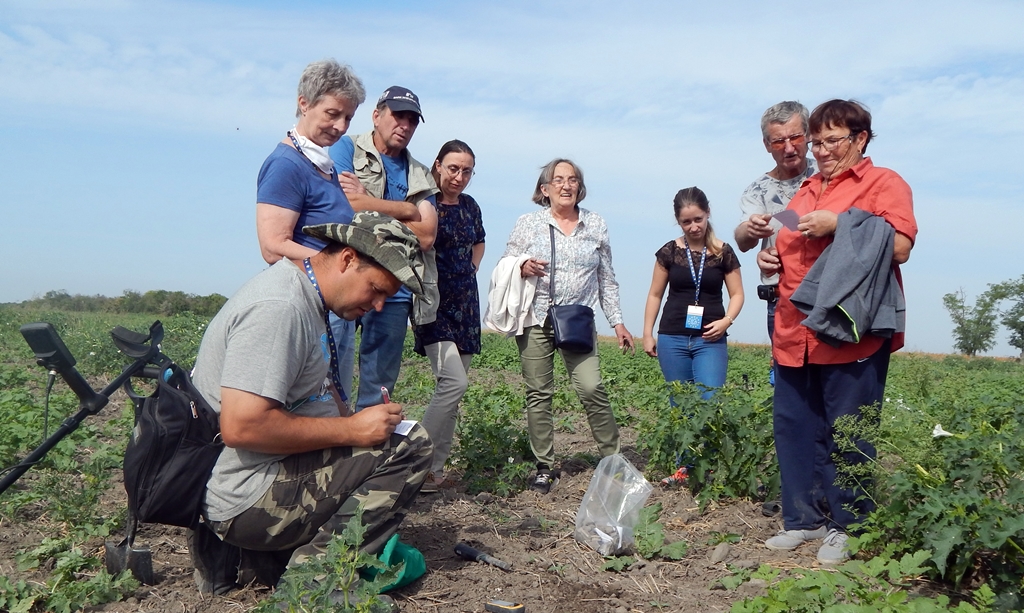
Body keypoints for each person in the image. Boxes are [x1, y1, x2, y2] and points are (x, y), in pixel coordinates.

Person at [189, 212, 433, 595]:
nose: (380, 305)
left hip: (259, 478)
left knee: (387, 438)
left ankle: (271, 557)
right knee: (410, 446)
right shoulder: (280, 307)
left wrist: (355, 427)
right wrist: (352, 430)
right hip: (243, 496)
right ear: (348, 259)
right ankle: (313, 586)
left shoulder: (306, 297)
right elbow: (242, 426)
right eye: (376, 289)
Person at [756, 99, 917, 564]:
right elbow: (792, 242)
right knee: (795, 426)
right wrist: (772, 256)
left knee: (848, 428)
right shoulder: (804, 190)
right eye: (818, 141)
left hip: (849, 329)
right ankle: (803, 519)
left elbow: (901, 246)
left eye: (833, 141)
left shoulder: (883, 183)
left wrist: (841, 223)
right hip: (793, 327)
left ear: (861, 138)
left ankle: (849, 524)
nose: (822, 151)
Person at [501, 158, 634, 494]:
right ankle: (545, 466)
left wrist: (617, 322)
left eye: (572, 179)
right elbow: (506, 262)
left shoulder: (596, 224)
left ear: (580, 186)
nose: (566, 185)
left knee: (591, 387)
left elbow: (607, 278)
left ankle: (613, 460)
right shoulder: (528, 224)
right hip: (536, 317)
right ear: (545, 189)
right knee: (539, 394)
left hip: (577, 319)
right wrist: (522, 266)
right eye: (558, 179)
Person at [255, 59, 366, 402]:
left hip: (332, 303)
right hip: (304, 302)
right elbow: (273, 245)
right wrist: (339, 267)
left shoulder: (325, 167)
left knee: (335, 400)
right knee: (310, 402)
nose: (340, 126)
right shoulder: (287, 164)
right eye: (332, 113)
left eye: (347, 117)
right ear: (304, 102)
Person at [331, 86, 439, 411]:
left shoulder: (420, 173)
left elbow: (427, 234)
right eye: (397, 116)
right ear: (377, 115)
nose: (404, 125)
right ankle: (327, 442)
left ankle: (368, 452)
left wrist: (368, 202)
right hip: (345, 274)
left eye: (412, 120)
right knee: (329, 366)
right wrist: (406, 209)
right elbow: (342, 205)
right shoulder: (346, 147)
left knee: (379, 382)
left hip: (395, 289)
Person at [412, 140, 485, 493]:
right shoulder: (424, 203)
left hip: (467, 305)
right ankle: (411, 464)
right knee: (454, 382)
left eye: (467, 171)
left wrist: (471, 268)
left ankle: (433, 474)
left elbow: (480, 240)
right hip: (433, 303)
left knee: (452, 396)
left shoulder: (471, 207)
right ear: (437, 165)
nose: (459, 177)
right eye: (453, 168)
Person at [643, 187, 743, 399]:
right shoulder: (669, 252)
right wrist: (647, 334)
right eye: (686, 222)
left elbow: (737, 294)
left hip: (710, 339)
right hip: (672, 337)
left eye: (698, 219)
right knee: (681, 405)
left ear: (708, 212)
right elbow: (655, 294)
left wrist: (727, 321)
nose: (694, 227)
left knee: (710, 401)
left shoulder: (723, 252)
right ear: (678, 221)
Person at [734, 101, 816, 345]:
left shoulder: (828, 172)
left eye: (796, 138)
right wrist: (750, 229)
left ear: (809, 135)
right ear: (767, 145)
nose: (789, 149)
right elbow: (742, 239)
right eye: (779, 142)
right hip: (781, 300)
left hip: (827, 297)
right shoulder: (757, 191)